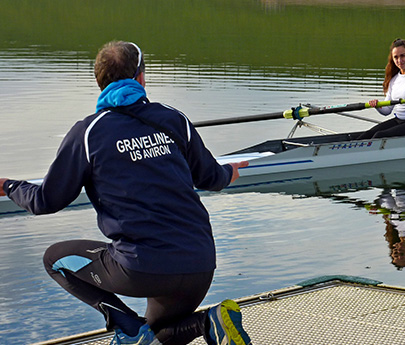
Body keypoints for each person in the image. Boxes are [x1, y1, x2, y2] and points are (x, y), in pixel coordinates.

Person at [0, 41, 251, 345]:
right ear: (141, 78)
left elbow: (45, 201)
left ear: (99, 82)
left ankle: (127, 328)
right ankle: (208, 324)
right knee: (156, 339)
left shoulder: (89, 133)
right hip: (201, 262)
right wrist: (230, 172)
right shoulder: (174, 119)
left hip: (144, 267)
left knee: (54, 259)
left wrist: (8, 186)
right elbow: (212, 177)